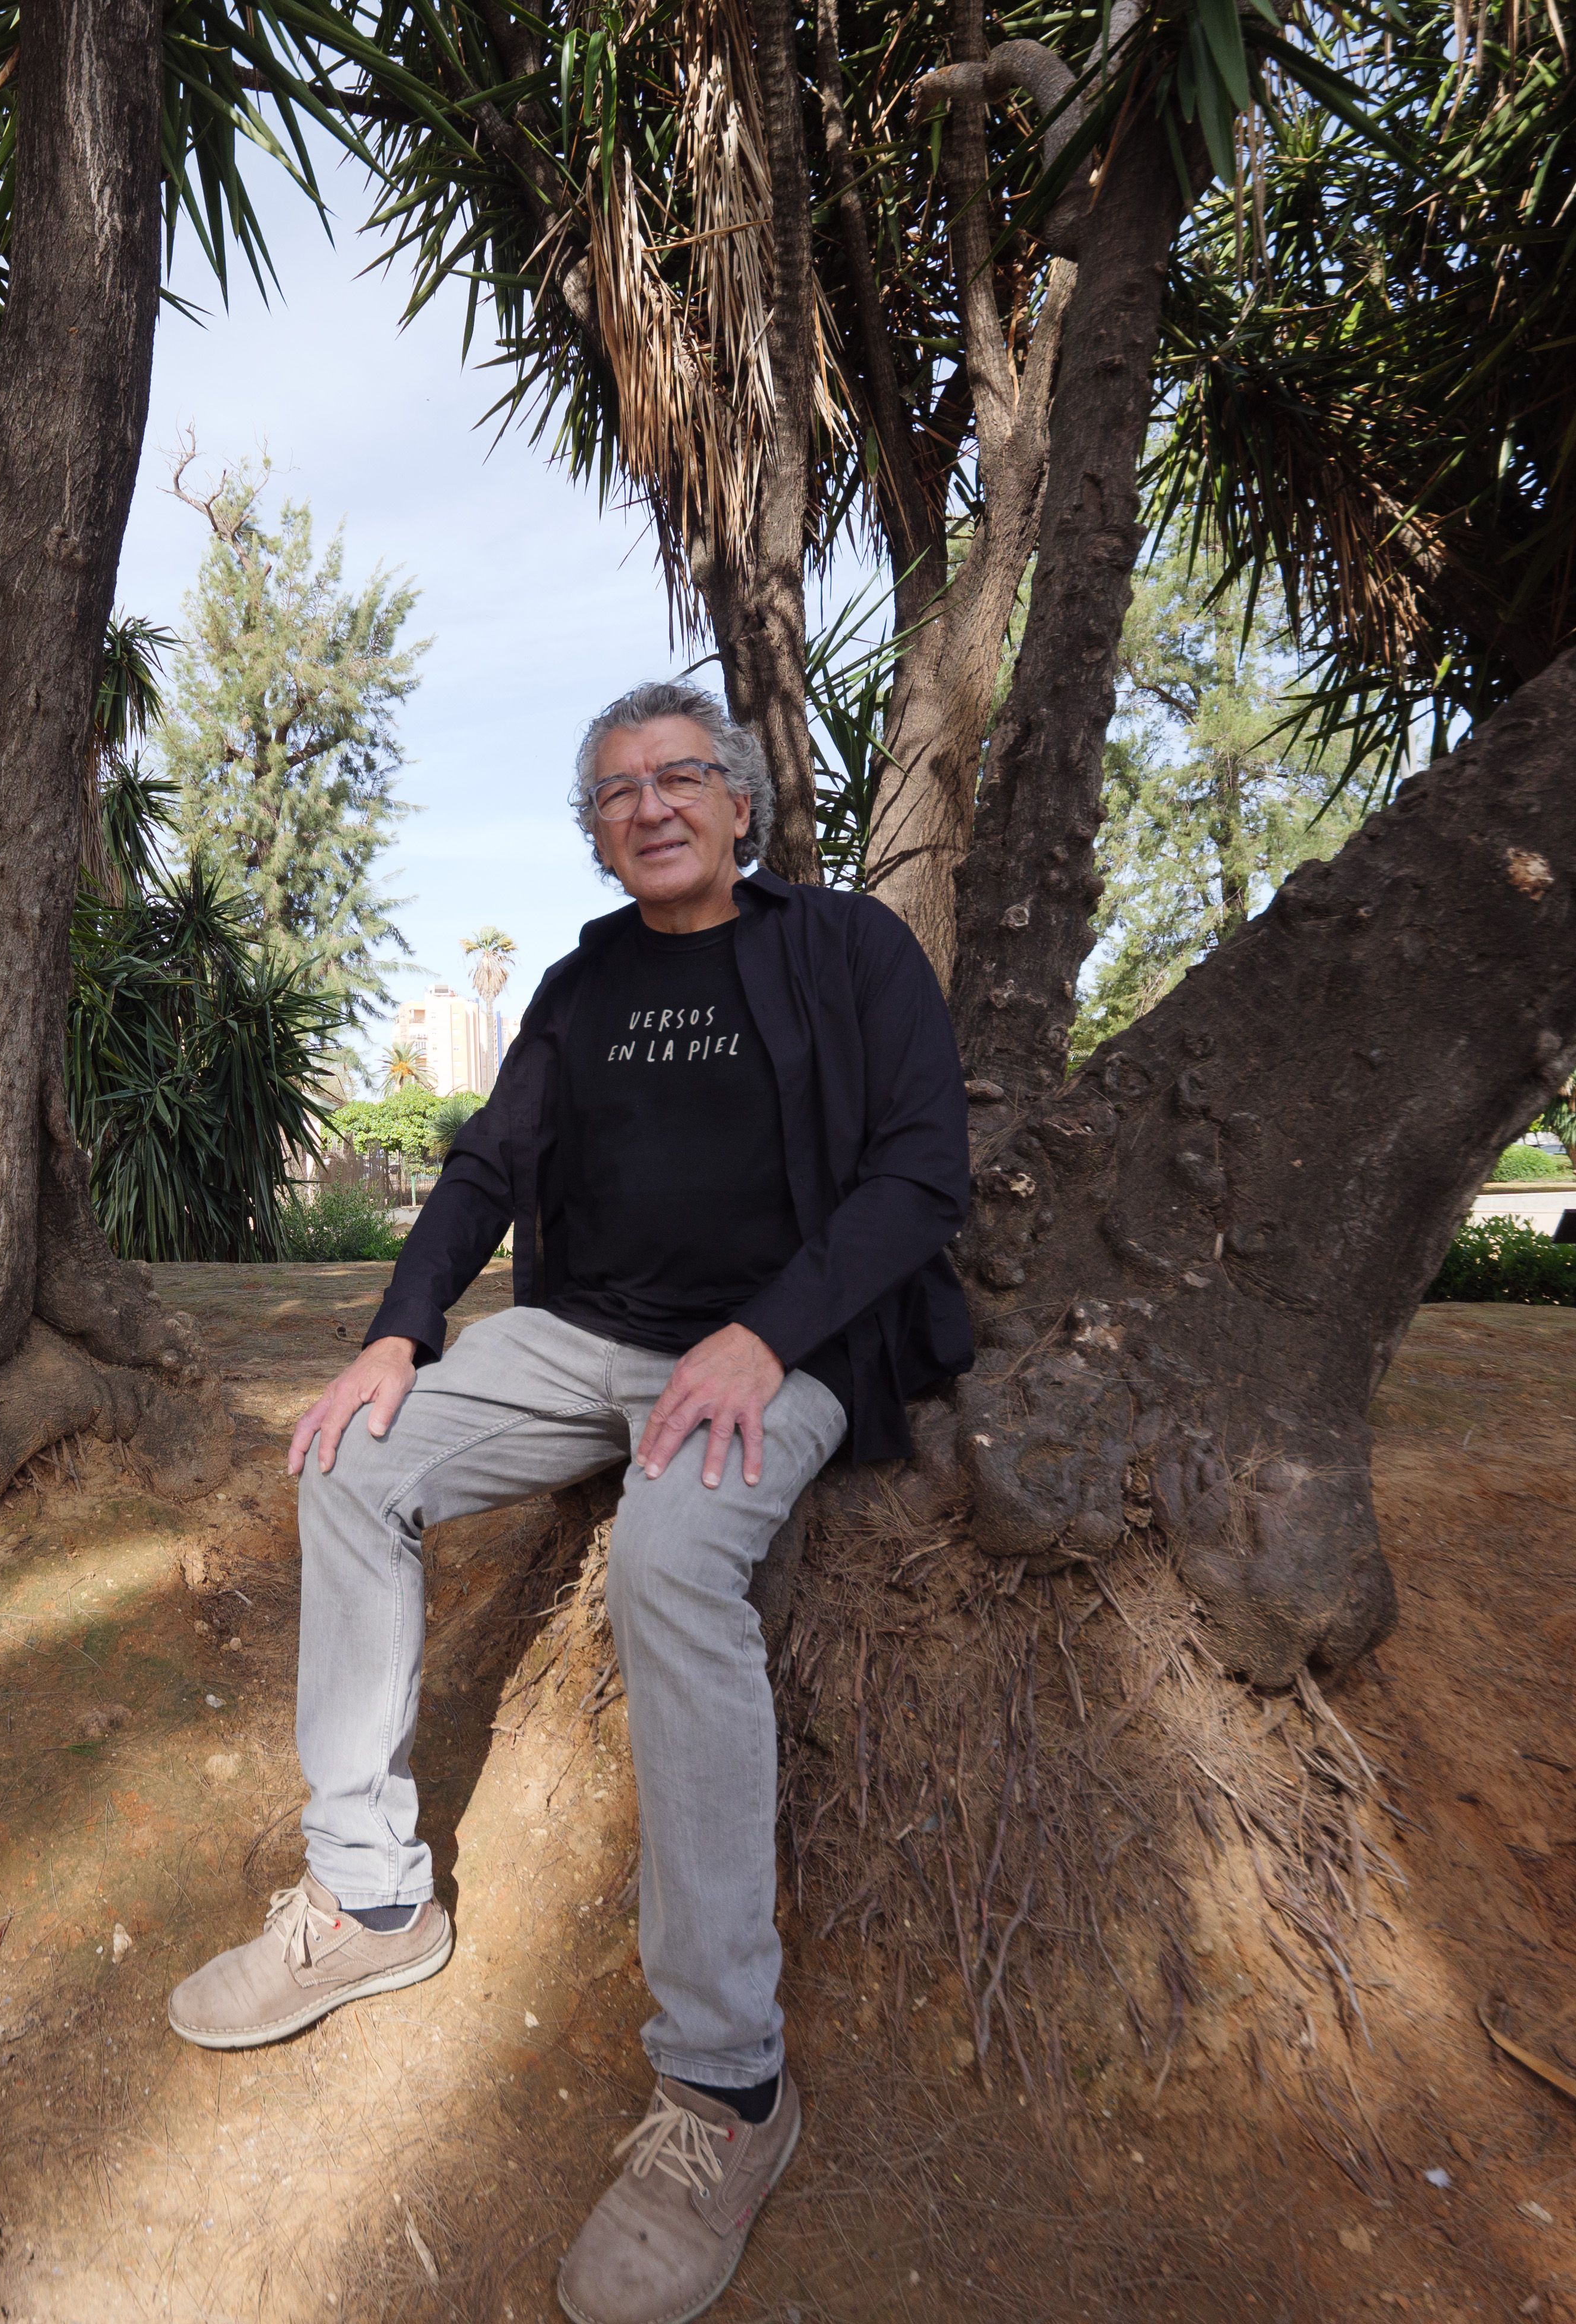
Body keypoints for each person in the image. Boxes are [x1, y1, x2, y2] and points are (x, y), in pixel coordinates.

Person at [166, 681, 972, 2324]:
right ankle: (373, 1895)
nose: (650, 804)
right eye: (616, 791)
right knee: (351, 1457)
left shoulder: (846, 954)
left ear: (745, 808)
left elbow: (918, 1173)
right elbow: (477, 1168)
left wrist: (768, 1335)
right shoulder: (583, 989)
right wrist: (399, 1333)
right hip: (583, 1340)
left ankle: (728, 2086)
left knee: (671, 1562)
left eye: (683, 777)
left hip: (780, 1350)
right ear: (596, 836)